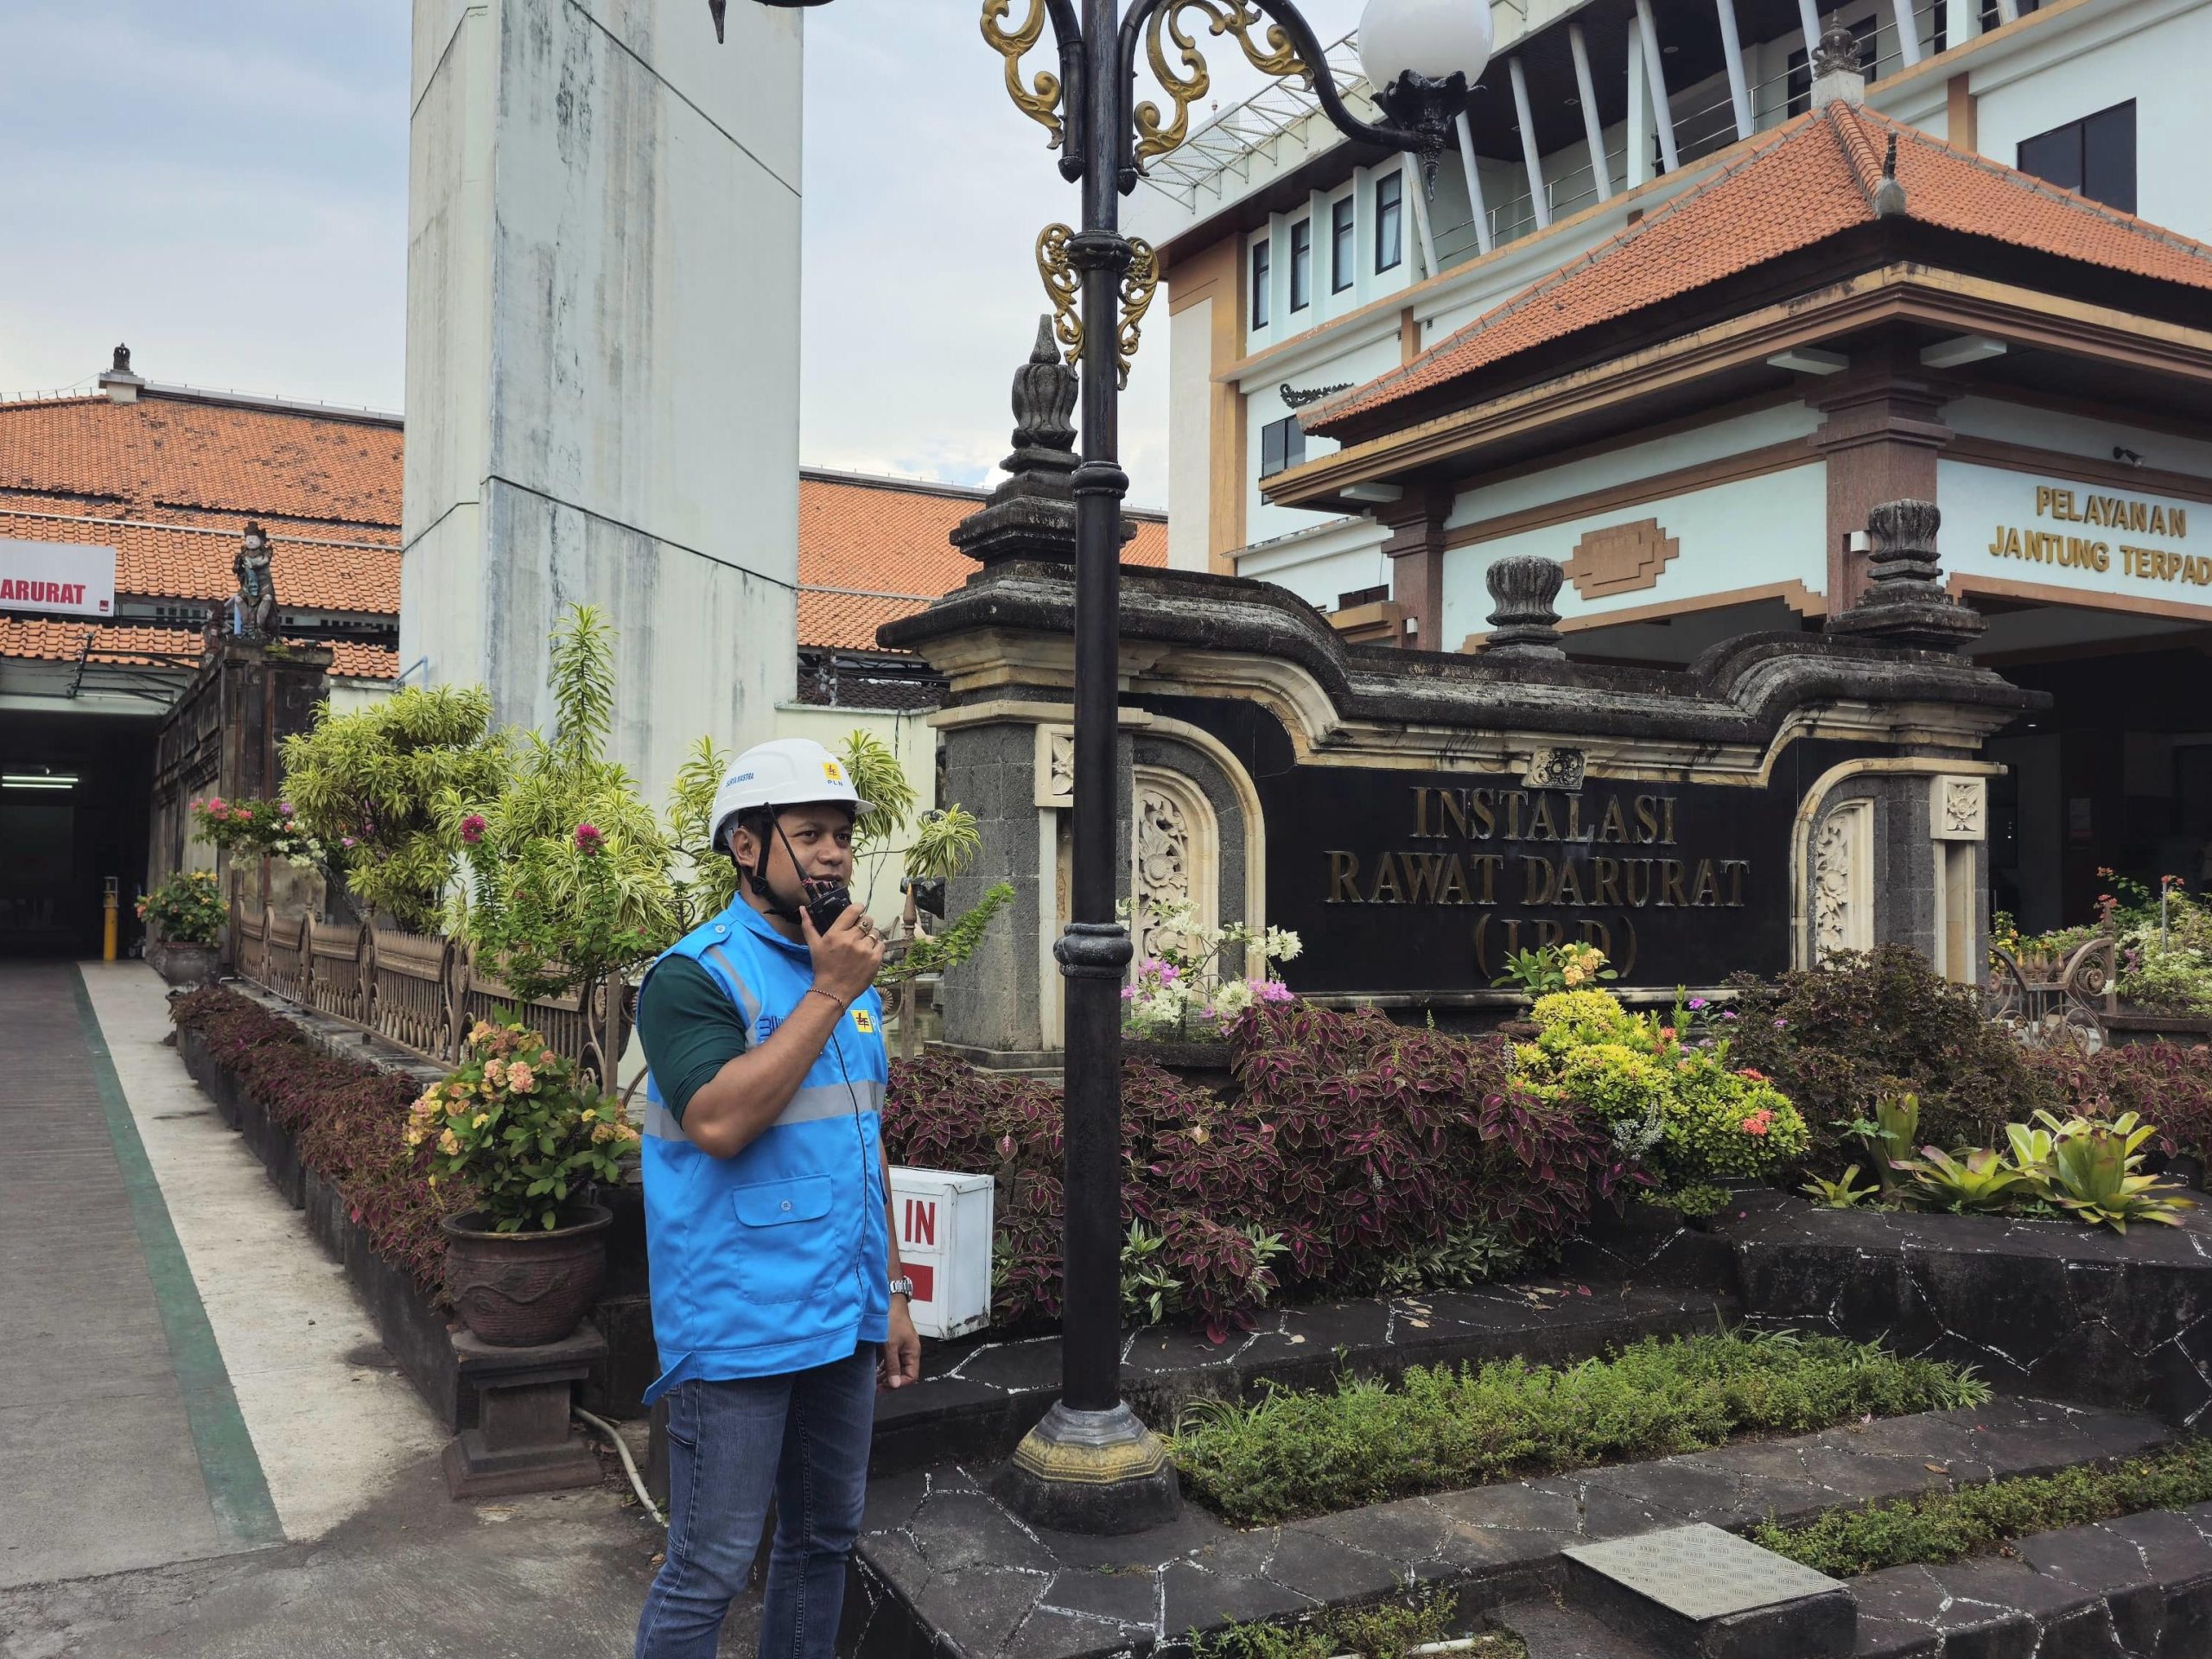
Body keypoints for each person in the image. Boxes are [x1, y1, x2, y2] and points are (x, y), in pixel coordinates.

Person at [632, 737, 922, 1659]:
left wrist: (897, 1291)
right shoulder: (693, 976)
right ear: (747, 847)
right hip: (740, 1322)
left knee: (822, 1544)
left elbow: (859, 1140)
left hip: (840, 1314)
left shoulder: (845, 978)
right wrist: (831, 995)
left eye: (842, 834)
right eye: (811, 833)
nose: (835, 852)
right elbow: (719, 1122)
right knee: (710, 1568)